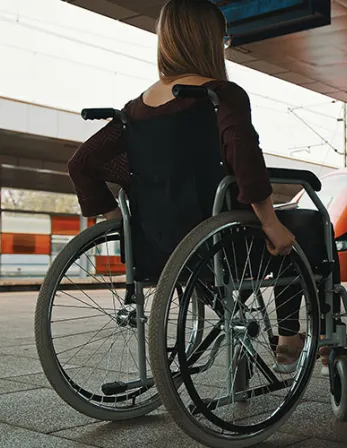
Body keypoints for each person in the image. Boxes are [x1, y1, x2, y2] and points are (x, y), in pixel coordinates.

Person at [67, 0, 330, 374]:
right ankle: (289, 337)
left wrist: (119, 225)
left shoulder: (134, 111)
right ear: (208, 41)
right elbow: (243, 155)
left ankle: (243, 328)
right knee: (307, 224)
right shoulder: (221, 94)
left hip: (161, 250)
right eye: (223, 38)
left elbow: (82, 164)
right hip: (226, 247)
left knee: (235, 244)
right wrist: (270, 222)